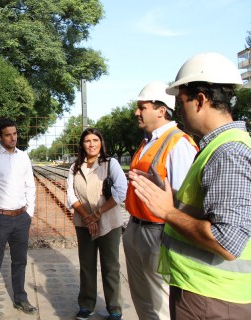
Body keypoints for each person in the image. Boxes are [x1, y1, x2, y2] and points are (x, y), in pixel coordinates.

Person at [129, 52, 251, 319]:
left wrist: (168, 212)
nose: (178, 110)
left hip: (214, 298)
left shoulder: (228, 152)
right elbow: (206, 207)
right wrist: (169, 196)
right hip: (203, 292)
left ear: (200, 100)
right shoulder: (217, 147)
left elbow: (227, 241)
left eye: (180, 101)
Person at [123, 81, 198, 320]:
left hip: (158, 233)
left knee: (161, 302)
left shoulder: (179, 143)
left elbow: (186, 200)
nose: (137, 112)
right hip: (135, 228)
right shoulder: (148, 141)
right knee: (142, 299)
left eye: (141, 107)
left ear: (161, 110)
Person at [66, 128, 128, 320]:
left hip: (109, 222)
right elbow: (70, 195)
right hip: (83, 223)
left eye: (95, 140)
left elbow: (120, 192)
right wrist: (87, 217)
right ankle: (86, 305)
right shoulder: (75, 167)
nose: (91, 144)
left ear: (101, 142)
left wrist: (97, 215)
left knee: (110, 266)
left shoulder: (111, 163)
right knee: (86, 265)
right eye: (87, 141)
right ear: (82, 144)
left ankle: (114, 308)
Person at [0, 118, 37, 318]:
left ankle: (21, 299)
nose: (13, 138)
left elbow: (30, 186)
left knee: (20, 261)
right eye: (8, 134)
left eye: (15, 133)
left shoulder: (24, 157)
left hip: (21, 217)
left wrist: (29, 213)